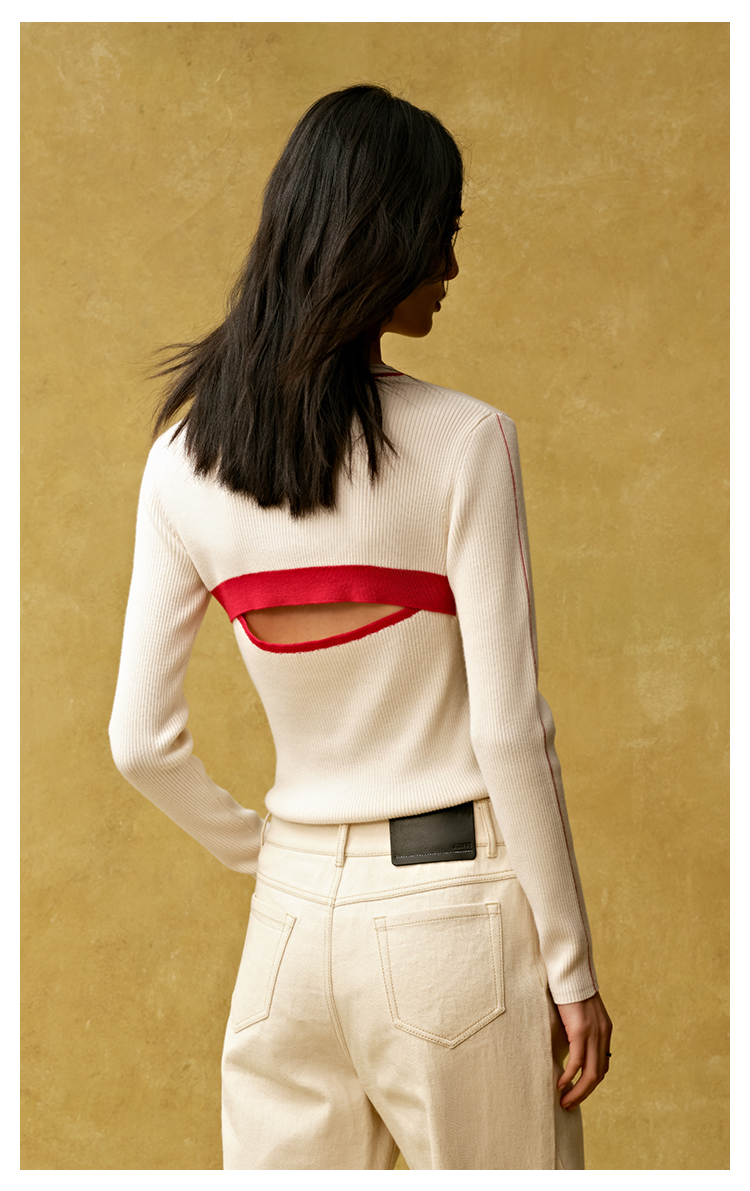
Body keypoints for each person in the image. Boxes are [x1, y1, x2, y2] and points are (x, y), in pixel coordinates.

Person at [109, 83, 613, 1171]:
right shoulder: (467, 441)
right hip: (453, 925)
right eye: (442, 231)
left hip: (286, 933)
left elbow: (139, 744)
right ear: (382, 240)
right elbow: (509, 731)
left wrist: (278, 858)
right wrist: (570, 970)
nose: (452, 265)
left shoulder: (181, 462)